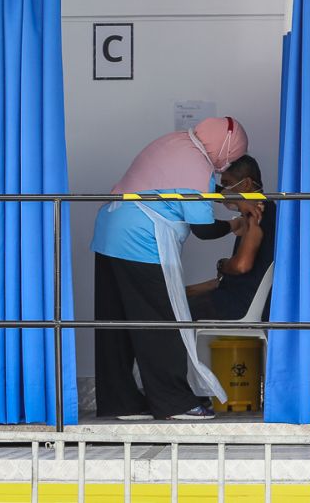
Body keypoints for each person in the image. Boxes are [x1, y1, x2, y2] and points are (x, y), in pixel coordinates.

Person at [91, 117, 248, 421]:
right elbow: (202, 229)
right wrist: (235, 225)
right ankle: (174, 402)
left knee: (117, 324)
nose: (229, 163)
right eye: (234, 155)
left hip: (110, 231)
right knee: (160, 322)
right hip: (140, 242)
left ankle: (119, 400)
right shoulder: (197, 165)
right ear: (226, 147)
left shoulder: (174, 142)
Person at [187, 155, 276, 321]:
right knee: (181, 297)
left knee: (168, 311)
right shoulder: (268, 210)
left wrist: (222, 264)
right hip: (243, 298)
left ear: (246, 184)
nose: (224, 191)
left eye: (227, 184)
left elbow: (241, 266)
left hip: (238, 305)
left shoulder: (255, 215)